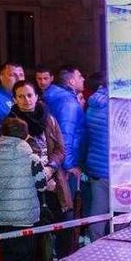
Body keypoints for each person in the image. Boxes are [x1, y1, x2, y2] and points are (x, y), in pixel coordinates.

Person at [7, 80, 72, 259]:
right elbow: (13, 156)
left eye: (29, 95)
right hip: (29, 187)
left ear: (37, 96)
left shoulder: (49, 119)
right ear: (14, 99)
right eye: (21, 96)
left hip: (55, 180)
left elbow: (60, 149)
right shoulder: (10, 123)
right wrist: (39, 177)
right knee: (35, 239)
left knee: (65, 228)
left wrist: (51, 169)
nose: (26, 100)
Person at [0, 118, 47, 261]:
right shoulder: (32, 158)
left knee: (6, 259)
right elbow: (42, 185)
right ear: (25, 135)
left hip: (0, 217)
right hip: (24, 217)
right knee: (22, 260)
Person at [42, 65, 86, 203]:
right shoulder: (69, 103)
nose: (83, 79)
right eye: (80, 76)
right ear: (71, 81)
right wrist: (69, 165)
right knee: (67, 202)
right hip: (65, 165)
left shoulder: (55, 96)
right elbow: (66, 134)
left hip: (54, 158)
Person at [83, 83, 109, 241]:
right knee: (124, 218)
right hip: (118, 169)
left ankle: (95, 247)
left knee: (98, 214)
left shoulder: (93, 103)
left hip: (96, 167)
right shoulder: (115, 106)